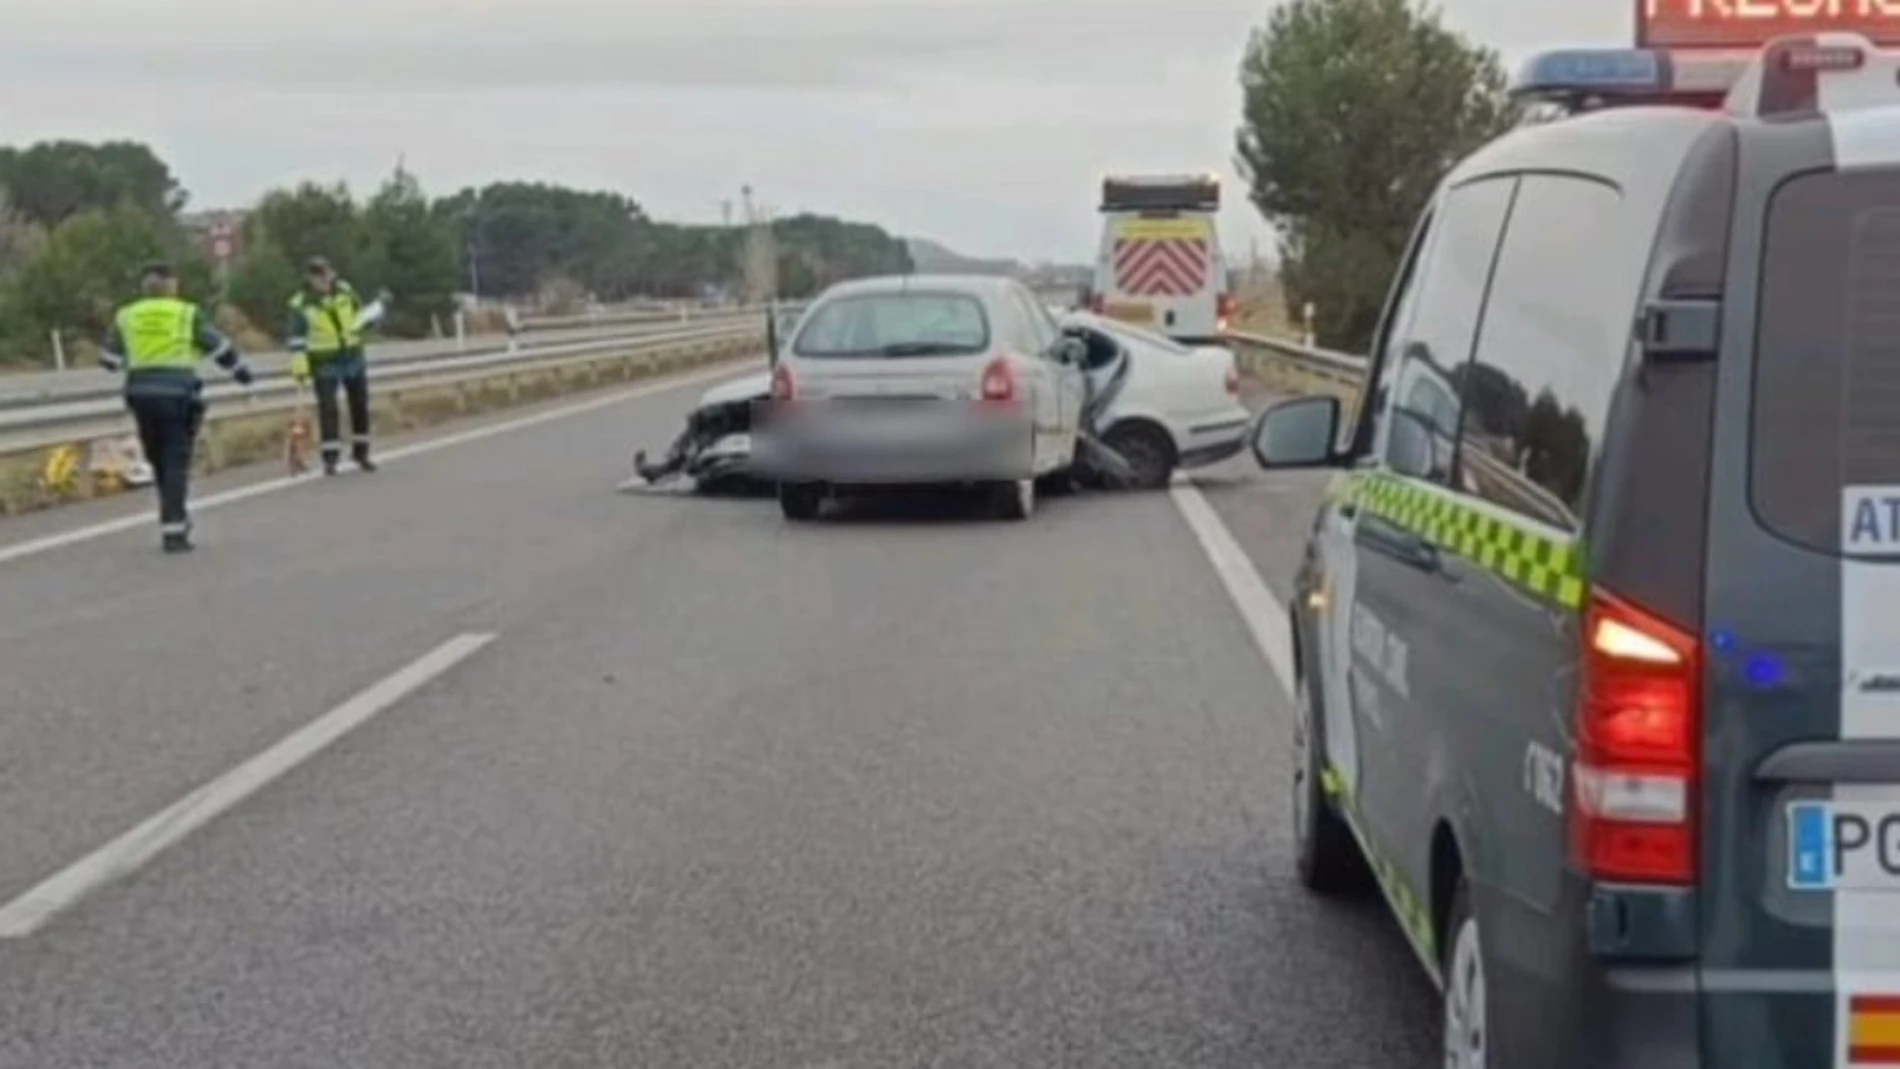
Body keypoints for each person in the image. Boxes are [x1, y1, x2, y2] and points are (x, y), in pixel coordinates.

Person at [100, 261, 254, 553]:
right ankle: (174, 528)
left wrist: (135, 360)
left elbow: (109, 360)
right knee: (175, 460)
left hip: (140, 394)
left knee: (157, 457)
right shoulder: (186, 313)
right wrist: (241, 372)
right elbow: (218, 346)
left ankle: (173, 517)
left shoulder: (127, 316)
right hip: (177, 393)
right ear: (172, 286)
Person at [287, 256, 380, 475]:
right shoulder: (301, 304)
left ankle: (361, 453)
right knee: (328, 409)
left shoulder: (345, 291)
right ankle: (330, 458)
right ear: (309, 278)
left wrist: (372, 318)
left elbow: (360, 315)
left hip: (352, 355)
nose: (324, 279)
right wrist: (300, 367)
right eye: (318, 275)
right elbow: (297, 339)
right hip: (325, 361)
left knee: (359, 405)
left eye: (326, 274)